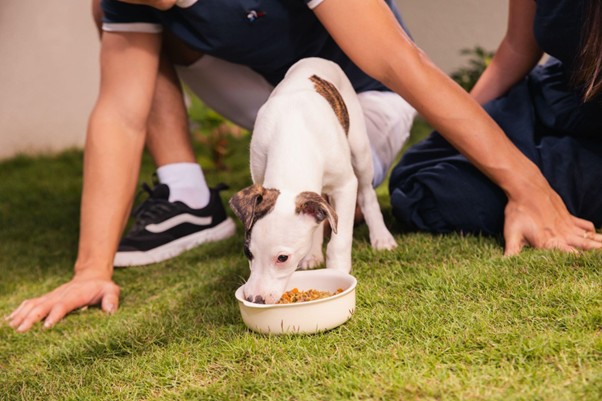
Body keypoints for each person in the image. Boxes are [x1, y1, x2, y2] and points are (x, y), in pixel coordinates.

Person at [7, 0, 602, 333]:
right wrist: (91, 269)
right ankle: (187, 198)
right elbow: (119, 114)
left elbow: (401, 64)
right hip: (277, 103)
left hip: (358, 108)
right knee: (117, 25)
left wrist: (530, 188)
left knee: (401, 173)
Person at [389, 0, 602, 249]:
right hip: (559, 95)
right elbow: (517, 46)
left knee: (431, 197)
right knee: (415, 172)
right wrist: (463, 127)